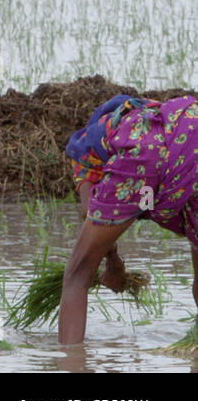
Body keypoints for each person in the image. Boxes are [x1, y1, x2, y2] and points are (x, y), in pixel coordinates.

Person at [59, 93, 198, 345]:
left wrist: (114, 267)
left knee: (77, 274)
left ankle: (72, 360)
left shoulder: (87, 153)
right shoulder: (155, 115)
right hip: (192, 137)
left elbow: (94, 214)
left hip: (148, 152)